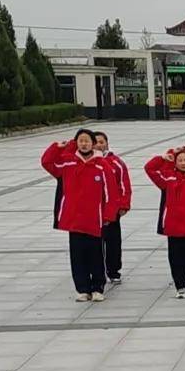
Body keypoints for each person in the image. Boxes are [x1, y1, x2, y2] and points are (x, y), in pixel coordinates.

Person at [41, 129, 107, 300]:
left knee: (96, 253)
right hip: (74, 219)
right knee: (77, 255)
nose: (84, 144)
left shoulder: (101, 164)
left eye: (87, 141)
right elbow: (47, 162)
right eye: (80, 141)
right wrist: (58, 147)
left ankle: (98, 287)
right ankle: (83, 289)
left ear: (93, 143)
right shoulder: (67, 163)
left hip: (94, 218)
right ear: (76, 143)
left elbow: (109, 191)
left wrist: (109, 213)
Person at [145, 147, 185, 296]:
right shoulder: (168, 180)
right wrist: (164, 157)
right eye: (180, 160)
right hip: (173, 228)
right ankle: (180, 286)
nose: (183, 163)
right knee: (176, 259)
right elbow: (150, 169)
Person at [93, 131, 131, 285]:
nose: (98, 145)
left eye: (101, 142)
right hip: (93, 211)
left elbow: (124, 185)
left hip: (112, 209)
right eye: (95, 142)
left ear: (107, 143)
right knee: (95, 243)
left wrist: (124, 205)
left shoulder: (116, 163)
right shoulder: (87, 162)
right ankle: (97, 271)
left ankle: (114, 270)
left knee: (113, 242)